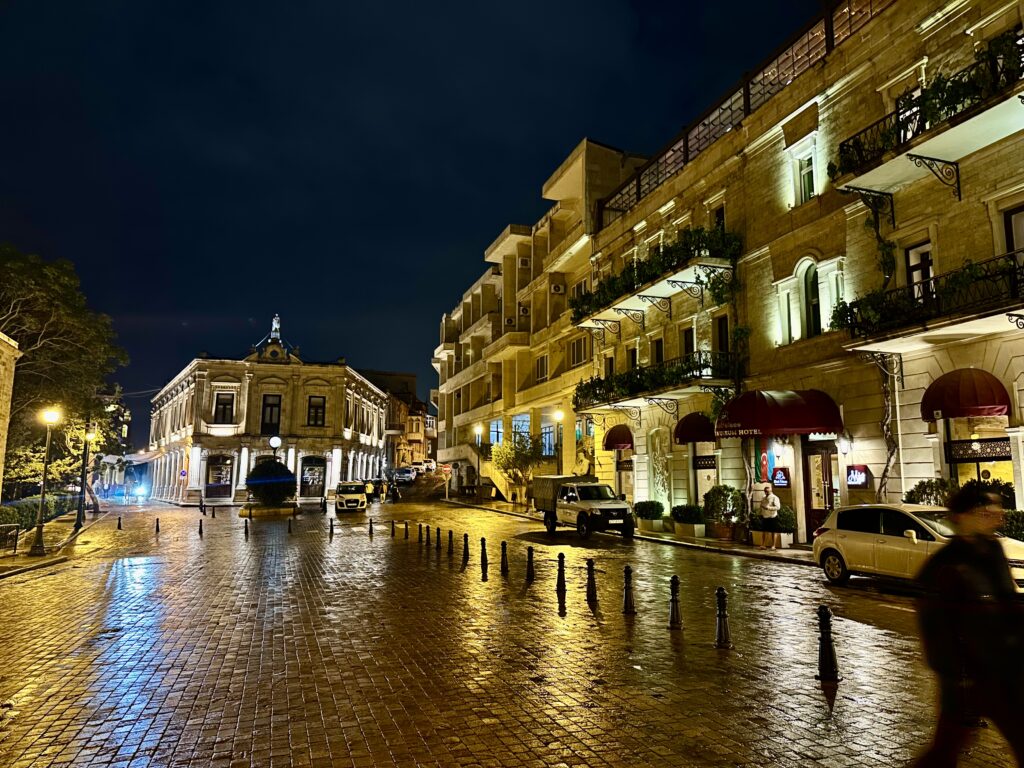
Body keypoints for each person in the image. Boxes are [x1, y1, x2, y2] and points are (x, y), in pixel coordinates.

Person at [914, 486, 1024, 766]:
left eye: (999, 512)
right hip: (969, 678)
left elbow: (1007, 602)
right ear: (961, 516)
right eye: (987, 513)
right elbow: (936, 631)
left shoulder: (992, 549)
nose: (997, 519)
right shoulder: (942, 566)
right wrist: (958, 675)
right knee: (943, 754)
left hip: (1004, 670)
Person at [758, 485, 781, 549]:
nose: (766, 493)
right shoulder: (763, 497)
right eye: (765, 491)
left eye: (767, 491)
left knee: (773, 531)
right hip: (765, 516)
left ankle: (773, 545)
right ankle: (763, 545)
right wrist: (760, 513)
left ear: (770, 491)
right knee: (764, 531)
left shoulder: (775, 497)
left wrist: (768, 508)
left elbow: (778, 507)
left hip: (772, 516)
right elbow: (761, 505)